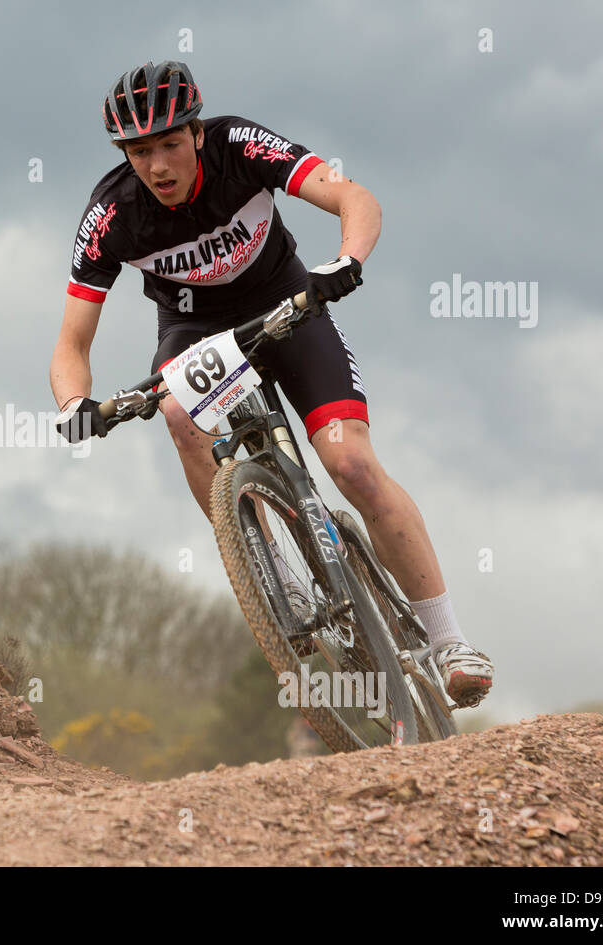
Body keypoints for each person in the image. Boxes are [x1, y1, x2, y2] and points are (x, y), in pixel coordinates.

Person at [50, 60, 493, 708]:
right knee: (177, 414)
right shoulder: (112, 214)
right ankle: (271, 575)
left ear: (197, 134)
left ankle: (448, 641)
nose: (158, 165)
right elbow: (70, 343)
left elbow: (352, 197)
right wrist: (72, 405)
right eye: (140, 151)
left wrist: (348, 257)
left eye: (170, 143)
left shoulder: (239, 146)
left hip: (288, 307)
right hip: (195, 330)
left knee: (352, 464)